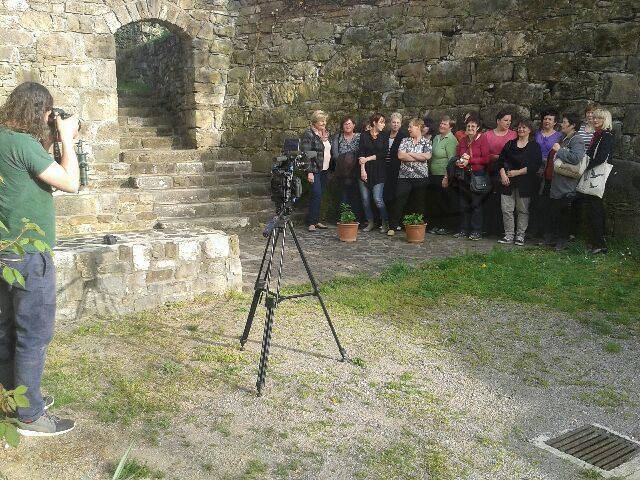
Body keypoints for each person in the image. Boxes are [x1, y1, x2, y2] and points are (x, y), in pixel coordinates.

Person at [0, 82, 79, 436]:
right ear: (41, 113)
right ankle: (30, 416)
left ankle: (14, 400)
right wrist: (68, 139)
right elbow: (71, 182)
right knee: (33, 333)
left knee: (5, 330)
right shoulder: (23, 144)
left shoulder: (5, 139)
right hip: (29, 255)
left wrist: (52, 139)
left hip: (4, 250)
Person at [496, 119, 542, 246]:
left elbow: (535, 165)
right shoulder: (510, 144)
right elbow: (500, 161)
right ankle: (509, 235)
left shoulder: (534, 146)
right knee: (506, 209)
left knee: (522, 210)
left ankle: (520, 235)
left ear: (529, 130)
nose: (521, 129)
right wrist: (503, 175)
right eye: (519, 127)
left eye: (524, 127)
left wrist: (517, 172)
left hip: (525, 183)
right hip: (507, 182)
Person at [574, 108, 615, 254]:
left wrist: (584, 167)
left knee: (595, 209)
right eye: (595, 117)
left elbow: (601, 157)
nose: (595, 120)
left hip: (597, 175)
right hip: (594, 174)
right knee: (592, 209)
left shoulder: (606, 135)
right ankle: (595, 241)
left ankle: (599, 243)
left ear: (605, 120)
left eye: (599, 118)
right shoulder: (598, 134)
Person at [546, 113, 585, 251]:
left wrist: (560, 150)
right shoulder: (565, 137)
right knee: (556, 212)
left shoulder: (577, 140)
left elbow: (576, 158)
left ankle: (562, 241)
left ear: (572, 125)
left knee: (564, 214)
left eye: (564, 122)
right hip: (558, 182)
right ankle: (555, 239)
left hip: (567, 184)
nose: (561, 124)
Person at [387, 118, 432, 236]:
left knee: (419, 202)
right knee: (399, 200)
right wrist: (418, 156)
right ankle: (393, 226)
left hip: (421, 176)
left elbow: (427, 156)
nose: (408, 129)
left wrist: (410, 154)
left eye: (411, 126)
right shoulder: (405, 140)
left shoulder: (426, 142)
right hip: (404, 176)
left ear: (418, 127)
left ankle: (418, 226)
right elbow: (401, 156)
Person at [453, 116, 490, 240]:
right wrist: (458, 162)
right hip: (464, 174)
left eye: (473, 126)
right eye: (468, 126)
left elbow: (486, 159)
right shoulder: (463, 140)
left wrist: (470, 160)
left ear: (478, 127)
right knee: (463, 203)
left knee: (476, 203)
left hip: (477, 174)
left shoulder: (482, 139)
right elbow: (458, 155)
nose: (470, 128)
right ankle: (464, 229)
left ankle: (476, 231)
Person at [483, 111, 517, 237]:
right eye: (505, 120)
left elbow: (515, 153)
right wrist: (497, 157)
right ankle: (489, 228)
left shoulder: (513, 135)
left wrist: (500, 157)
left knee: (504, 201)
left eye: (509, 121)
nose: (508, 123)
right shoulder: (487, 135)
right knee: (490, 200)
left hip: (506, 171)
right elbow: (484, 153)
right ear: (498, 121)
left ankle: (502, 229)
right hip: (490, 170)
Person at [530, 109, 563, 238]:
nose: (547, 121)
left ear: (555, 122)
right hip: (535, 168)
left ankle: (545, 231)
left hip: (550, 170)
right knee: (534, 200)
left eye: (550, 119)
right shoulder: (536, 134)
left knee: (546, 200)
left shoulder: (559, 136)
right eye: (545, 119)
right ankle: (533, 230)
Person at [358, 113, 389, 232]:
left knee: (377, 198)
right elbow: (361, 153)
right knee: (365, 199)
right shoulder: (364, 135)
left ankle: (385, 222)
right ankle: (370, 222)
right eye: (381, 122)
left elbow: (383, 153)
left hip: (379, 171)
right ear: (374, 123)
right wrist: (362, 170)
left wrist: (368, 158)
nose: (383, 124)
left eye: (384, 122)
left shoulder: (384, 136)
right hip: (365, 170)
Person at [301, 110, 331, 232]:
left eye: (325, 121)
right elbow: (307, 154)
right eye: (321, 121)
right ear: (315, 122)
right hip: (314, 169)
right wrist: (309, 172)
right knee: (316, 193)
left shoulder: (325, 133)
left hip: (325, 169)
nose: (324, 123)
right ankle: (311, 222)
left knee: (320, 195)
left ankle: (316, 220)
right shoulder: (309, 134)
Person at [428, 116, 458, 234]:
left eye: (445, 124)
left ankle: (445, 226)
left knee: (444, 201)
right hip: (434, 174)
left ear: (450, 127)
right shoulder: (436, 138)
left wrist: (446, 177)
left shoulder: (451, 140)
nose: (441, 125)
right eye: (441, 123)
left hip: (444, 175)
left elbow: (452, 160)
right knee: (435, 201)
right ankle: (436, 225)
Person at [330, 116, 361, 221]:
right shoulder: (338, 137)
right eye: (345, 124)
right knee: (344, 195)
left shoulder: (359, 137)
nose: (347, 126)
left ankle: (356, 219)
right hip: (342, 171)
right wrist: (346, 160)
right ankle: (344, 218)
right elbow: (335, 155)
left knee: (356, 195)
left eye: (349, 124)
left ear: (354, 125)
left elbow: (362, 151)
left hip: (356, 171)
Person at [382, 112, 407, 213]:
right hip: (384, 168)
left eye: (398, 123)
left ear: (400, 124)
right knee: (385, 193)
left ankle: (394, 217)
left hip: (397, 169)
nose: (395, 124)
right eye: (393, 122)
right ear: (390, 123)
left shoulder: (403, 137)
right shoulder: (384, 135)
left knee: (395, 193)